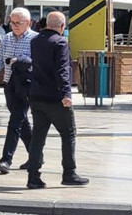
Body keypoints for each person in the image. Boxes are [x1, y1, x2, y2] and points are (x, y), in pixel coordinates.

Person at [26, 12, 89, 188]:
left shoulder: (35, 41)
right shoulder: (60, 42)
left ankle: (33, 176)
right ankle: (69, 174)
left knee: (38, 136)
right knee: (68, 134)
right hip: (56, 98)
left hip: (37, 96)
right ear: (62, 27)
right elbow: (63, 70)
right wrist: (66, 94)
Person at [0, 8, 37, 174]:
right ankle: (36, 156)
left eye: (18, 23)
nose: (14, 26)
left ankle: (6, 160)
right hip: (9, 85)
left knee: (15, 122)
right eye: (12, 22)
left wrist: (20, 61)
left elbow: (40, 63)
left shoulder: (36, 39)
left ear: (28, 23)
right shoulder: (6, 38)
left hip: (27, 86)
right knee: (22, 123)